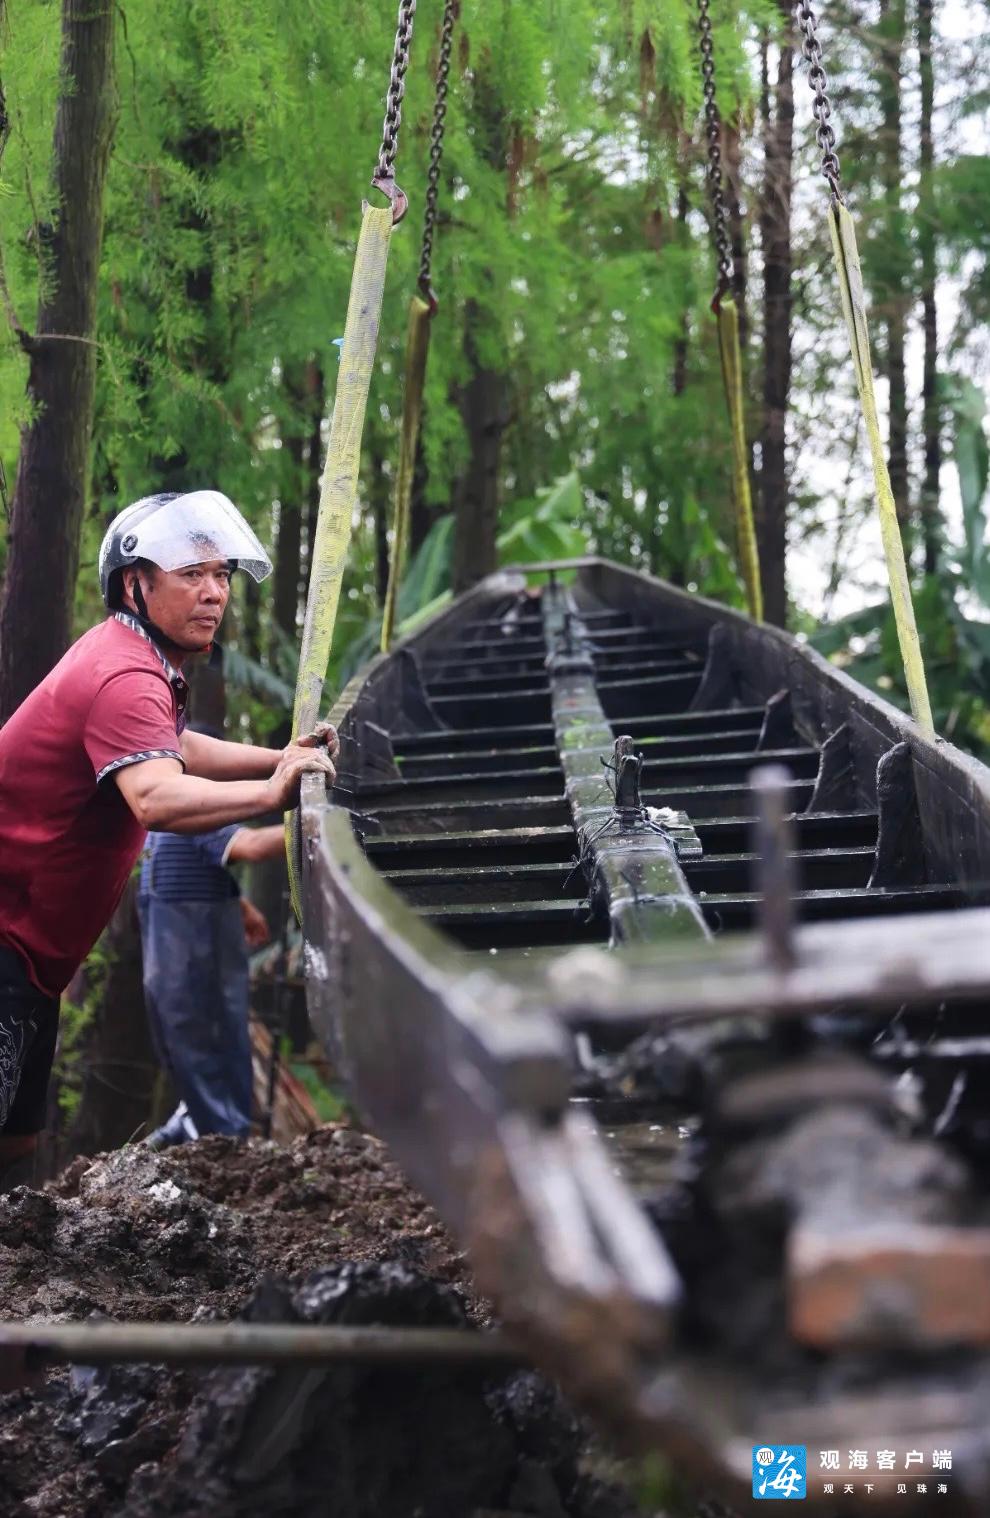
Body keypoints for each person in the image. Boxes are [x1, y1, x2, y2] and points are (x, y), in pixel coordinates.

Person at [0, 488, 336, 1187]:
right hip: (6, 939)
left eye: (221, 577)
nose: (214, 593)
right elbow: (155, 796)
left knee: (15, 1143)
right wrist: (274, 794)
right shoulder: (124, 671)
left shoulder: (139, 664)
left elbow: (179, 747)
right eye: (191, 575)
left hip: (29, 952)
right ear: (135, 584)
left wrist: (282, 756)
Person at [137, 809, 286, 1148]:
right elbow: (205, 854)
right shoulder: (164, 803)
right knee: (176, 1029)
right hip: (167, 922)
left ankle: (223, 1133)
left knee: (206, 1025)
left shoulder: (194, 809)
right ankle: (195, 1114)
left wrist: (312, 825)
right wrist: (240, 900)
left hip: (195, 927)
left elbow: (251, 845)